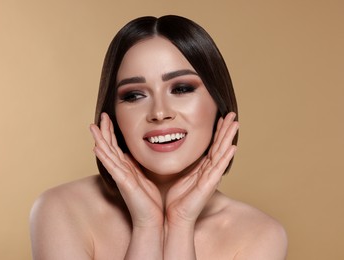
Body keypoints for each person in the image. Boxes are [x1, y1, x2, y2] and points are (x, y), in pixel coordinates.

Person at [30, 15, 287, 259]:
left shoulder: (259, 234)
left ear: (218, 103)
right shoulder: (62, 210)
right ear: (113, 113)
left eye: (182, 88)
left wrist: (181, 223)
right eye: (134, 95)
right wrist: (147, 225)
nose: (159, 112)